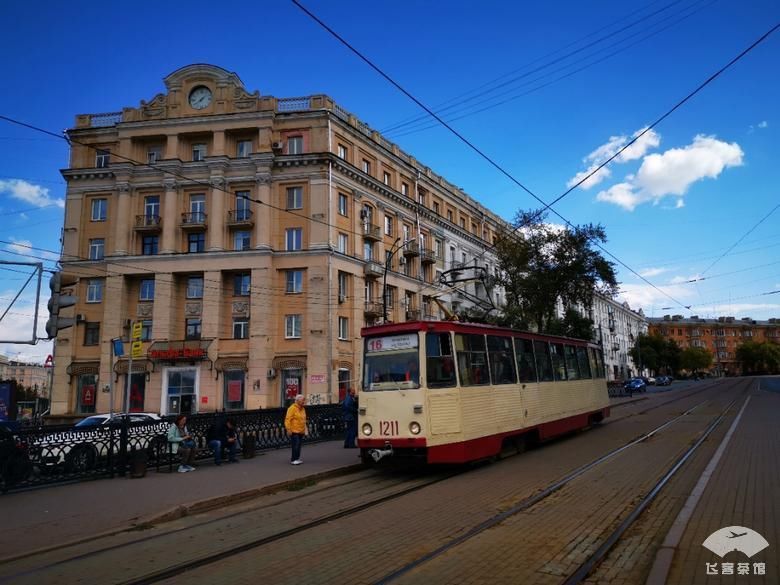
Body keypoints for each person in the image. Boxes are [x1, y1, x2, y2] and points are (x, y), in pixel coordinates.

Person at [284, 394, 307, 465]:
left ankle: (297, 458)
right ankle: (293, 459)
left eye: (304, 400)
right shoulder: (292, 408)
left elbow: (304, 420)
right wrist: (288, 429)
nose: (304, 401)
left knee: (299, 445)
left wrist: (306, 429)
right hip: (294, 430)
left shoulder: (302, 409)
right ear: (297, 400)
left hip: (301, 430)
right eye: (303, 400)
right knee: (296, 445)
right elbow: (287, 419)